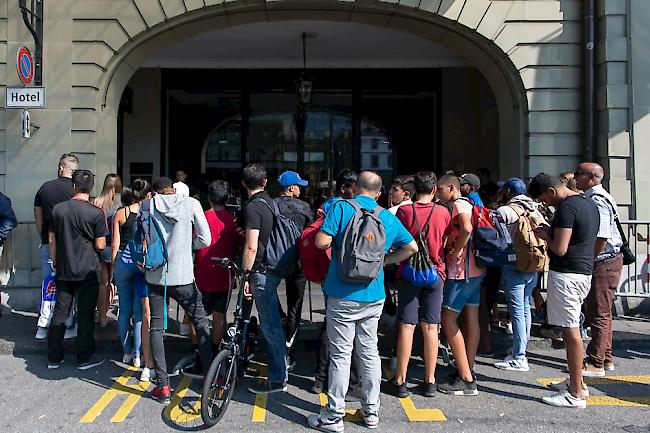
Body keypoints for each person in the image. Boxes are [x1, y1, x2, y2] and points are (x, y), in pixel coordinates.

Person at [307, 171, 418, 432]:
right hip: (373, 293)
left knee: (341, 354)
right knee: (369, 352)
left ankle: (334, 416)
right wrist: (384, 261)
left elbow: (320, 242)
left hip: (341, 292)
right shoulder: (387, 217)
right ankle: (371, 412)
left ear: (355, 187)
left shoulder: (342, 208)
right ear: (379, 193)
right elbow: (411, 247)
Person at [528, 173, 599, 408]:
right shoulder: (587, 203)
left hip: (568, 274)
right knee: (571, 328)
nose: (546, 204)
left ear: (552, 191)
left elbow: (559, 248)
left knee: (571, 331)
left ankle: (576, 392)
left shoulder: (567, 209)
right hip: (583, 271)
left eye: (544, 199)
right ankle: (575, 381)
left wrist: (545, 234)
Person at [145, 177, 212, 404]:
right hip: (184, 275)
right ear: (173, 189)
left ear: (156, 191)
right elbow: (206, 238)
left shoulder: (149, 205)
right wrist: (187, 246)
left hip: (155, 276)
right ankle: (211, 377)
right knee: (201, 323)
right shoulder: (191, 203)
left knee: (156, 327)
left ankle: (163, 387)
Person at [392, 171, 450, 398]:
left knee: (407, 326)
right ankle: (430, 381)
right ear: (434, 189)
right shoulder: (443, 212)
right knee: (431, 327)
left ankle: (400, 380)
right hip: (435, 272)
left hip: (409, 272)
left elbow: (396, 240)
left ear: (414, 189)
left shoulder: (405, 211)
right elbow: (446, 239)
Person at [47, 170, 108, 370]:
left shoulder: (58, 210)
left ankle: (54, 357)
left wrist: (55, 262)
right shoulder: (96, 213)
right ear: (91, 188)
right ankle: (83, 357)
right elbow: (100, 245)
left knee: (60, 312)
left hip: (64, 268)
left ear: (73, 186)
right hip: (88, 269)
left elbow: (51, 240)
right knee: (85, 314)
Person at [239, 163, 289, 394]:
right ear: (265, 182)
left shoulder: (252, 208)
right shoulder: (270, 202)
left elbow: (251, 246)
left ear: (243, 183)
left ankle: (278, 378)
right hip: (273, 266)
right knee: (268, 323)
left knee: (269, 326)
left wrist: (245, 275)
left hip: (260, 271)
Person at [312, 169, 362, 396]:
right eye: (355, 186)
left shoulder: (328, 206)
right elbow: (323, 241)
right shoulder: (344, 207)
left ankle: (320, 378)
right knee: (346, 330)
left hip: (330, 271)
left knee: (331, 326)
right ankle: (349, 382)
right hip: (346, 271)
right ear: (344, 188)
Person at [435, 174, 485, 395]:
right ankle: (468, 367)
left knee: (448, 317)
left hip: (461, 270)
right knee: (471, 317)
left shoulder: (458, 204)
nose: (437, 193)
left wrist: (456, 251)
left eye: (440, 189)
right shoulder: (472, 202)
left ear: (452, 188)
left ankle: (465, 378)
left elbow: (466, 228)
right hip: (477, 269)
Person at [575, 163, 624, 376]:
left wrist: (590, 257)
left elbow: (602, 236)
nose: (576, 178)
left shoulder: (597, 200)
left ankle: (596, 361)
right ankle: (606, 357)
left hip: (604, 261)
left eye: (579, 174)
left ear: (592, 177)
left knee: (599, 312)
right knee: (602, 312)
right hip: (607, 260)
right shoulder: (599, 197)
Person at [493, 178, 546, 372]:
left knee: (516, 310)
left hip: (513, 264)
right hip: (532, 264)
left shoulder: (506, 211)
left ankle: (519, 356)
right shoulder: (535, 208)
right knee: (524, 307)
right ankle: (521, 349)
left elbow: (495, 236)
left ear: (508, 192)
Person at [112, 180, 154, 380]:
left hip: (123, 261)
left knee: (123, 310)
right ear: (146, 194)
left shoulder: (121, 213)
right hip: (141, 263)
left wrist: (113, 267)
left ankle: (127, 352)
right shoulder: (149, 213)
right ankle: (138, 355)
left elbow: (115, 245)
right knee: (140, 312)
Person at [34, 153, 79, 339]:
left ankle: (43, 326)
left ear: (61, 168)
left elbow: (37, 215)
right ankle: (68, 325)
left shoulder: (45, 188)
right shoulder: (78, 190)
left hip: (48, 242)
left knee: (48, 284)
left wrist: (43, 235)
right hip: (72, 245)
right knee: (71, 286)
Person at [193, 180, 239, 350]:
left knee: (195, 316)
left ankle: (198, 349)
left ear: (208, 197)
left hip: (202, 273)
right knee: (219, 316)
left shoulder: (201, 217)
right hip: (224, 274)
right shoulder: (232, 221)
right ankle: (214, 349)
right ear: (228, 198)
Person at [275, 171, 313, 365]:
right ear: (291, 188)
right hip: (298, 262)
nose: (301, 188)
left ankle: (277, 324)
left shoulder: (272, 206)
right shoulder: (304, 207)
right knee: (295, 305)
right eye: (299, 185)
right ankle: (289, 348)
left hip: (274, 260)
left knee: (268, 296)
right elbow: (311, 234)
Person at [93, 173, 122, 328]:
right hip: (113, 246)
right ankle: (105, 316)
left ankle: (101, 316)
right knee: (111, 283)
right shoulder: (119, 204)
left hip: (98, 245)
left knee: (102, 283)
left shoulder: (96, 202)